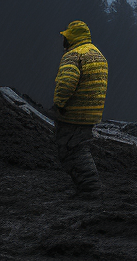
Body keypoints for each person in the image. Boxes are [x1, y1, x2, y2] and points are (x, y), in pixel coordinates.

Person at [53, 20, 108, 196]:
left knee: (72, 150)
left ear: (71, 38)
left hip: (74, 113)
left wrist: (59, 104)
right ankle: (87, 188)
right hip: (91, 113)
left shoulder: (74, 55)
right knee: (79, 147)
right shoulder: (97, 54)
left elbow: (66, 83)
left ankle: (91, 188)